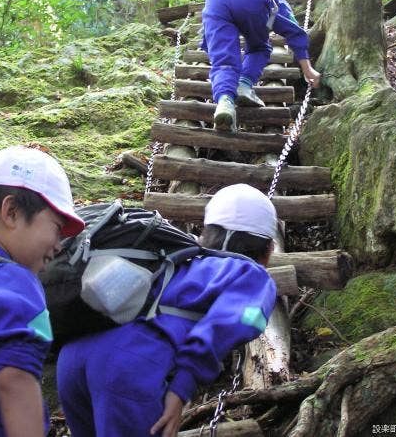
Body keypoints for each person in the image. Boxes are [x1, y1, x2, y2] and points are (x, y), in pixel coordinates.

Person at [57, 184, 278, 437]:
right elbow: (233, 322)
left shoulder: (178, 258)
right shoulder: (251, 275)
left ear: (207, 232)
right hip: (126, 370)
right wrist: (180, 389)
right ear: (269, 248)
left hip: (73, 359)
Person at [0, 145, 85, 437]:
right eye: (57, 228)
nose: (58, 246)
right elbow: (15, 378)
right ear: (11, 212)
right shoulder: (12, 282)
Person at [201, 0, 321, 132]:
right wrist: (307, 68)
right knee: (259, 47)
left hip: (215, 4)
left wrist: (209, 46)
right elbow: (288, 21)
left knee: (223, 61)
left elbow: (211, 37)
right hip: (251, 0)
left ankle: (225, 101)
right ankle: (243, 84)